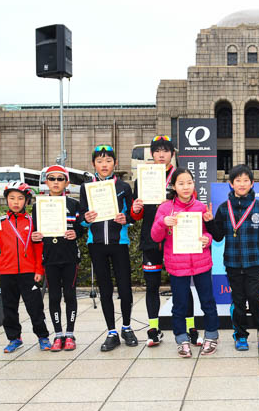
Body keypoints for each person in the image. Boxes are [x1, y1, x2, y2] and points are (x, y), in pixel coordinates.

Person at [130, 135, 198, 347]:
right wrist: (136, 210)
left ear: (172, 154)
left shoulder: (181, 177)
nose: (161, 154)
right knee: (152, 286)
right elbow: (137, 216)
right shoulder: (142, 178)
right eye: (157, 151)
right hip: (151, 239)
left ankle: (190, 328)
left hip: (177, 239)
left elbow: (192, 201)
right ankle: (153, 329)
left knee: (183, 286)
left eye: (165, 150)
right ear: (152, 154)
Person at [0, 182, 50, 353]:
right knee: (9, 308)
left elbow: (38, 249)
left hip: (29, 272)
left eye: (20, 198)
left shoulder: (33, 221)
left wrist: (39, 270)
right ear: (6, 200)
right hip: (7, 272)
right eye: (12, 198)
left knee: (35, 307)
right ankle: (14, 339)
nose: (16, 202)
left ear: (27, 201)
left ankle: (43, 337)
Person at [204, 164, 259, 351]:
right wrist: (210, 222)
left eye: (246, 180)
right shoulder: (223, 208)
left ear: (252, 183)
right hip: (233, 262)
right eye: (238, 180)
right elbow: (218, 236)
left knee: (254, 298)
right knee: (237, 300)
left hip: (255, 262)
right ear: (230, 183)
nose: (242, 184)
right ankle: (240, 336)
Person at [150, 168, 219, 357]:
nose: (186, 187)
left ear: (194, 184)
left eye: (189, 182)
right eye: (181, 183)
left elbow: (208, 232)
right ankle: (181, 339)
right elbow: (155, 237)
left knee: (207, 301)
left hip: (201, 262)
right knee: (179, 304)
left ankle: (211, 336)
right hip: (177, 265)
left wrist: (207, 239)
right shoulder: (165, 208)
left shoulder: (201, 207)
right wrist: (163, 222)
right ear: (174, 186)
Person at [80, 144, 139, 351]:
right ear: (93, 164)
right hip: (96, 244)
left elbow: (132, 214)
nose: (104, 165)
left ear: (115, 163)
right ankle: (111, 331)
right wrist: (86, 219)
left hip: (119, 243)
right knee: (105, 289)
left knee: (125, 288)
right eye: (99, 161)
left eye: (108, 160)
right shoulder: (86, 187)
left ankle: (127, 326)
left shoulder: (123, 187)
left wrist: (126, 219)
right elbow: (82, 217)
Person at [30, 166, 86, 351]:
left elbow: (81, 227)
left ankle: (70, 334)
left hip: (70, 257)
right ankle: (58, 334)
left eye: (60, 179)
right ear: (46, 182)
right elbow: (36, 232)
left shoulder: (73, 204)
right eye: (51, 178)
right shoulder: (39, 206)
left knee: (69, 295)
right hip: (50, 257)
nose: (55, 182)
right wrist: (35, 236)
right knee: (53, 296)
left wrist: (75, 233)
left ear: (66, 182)